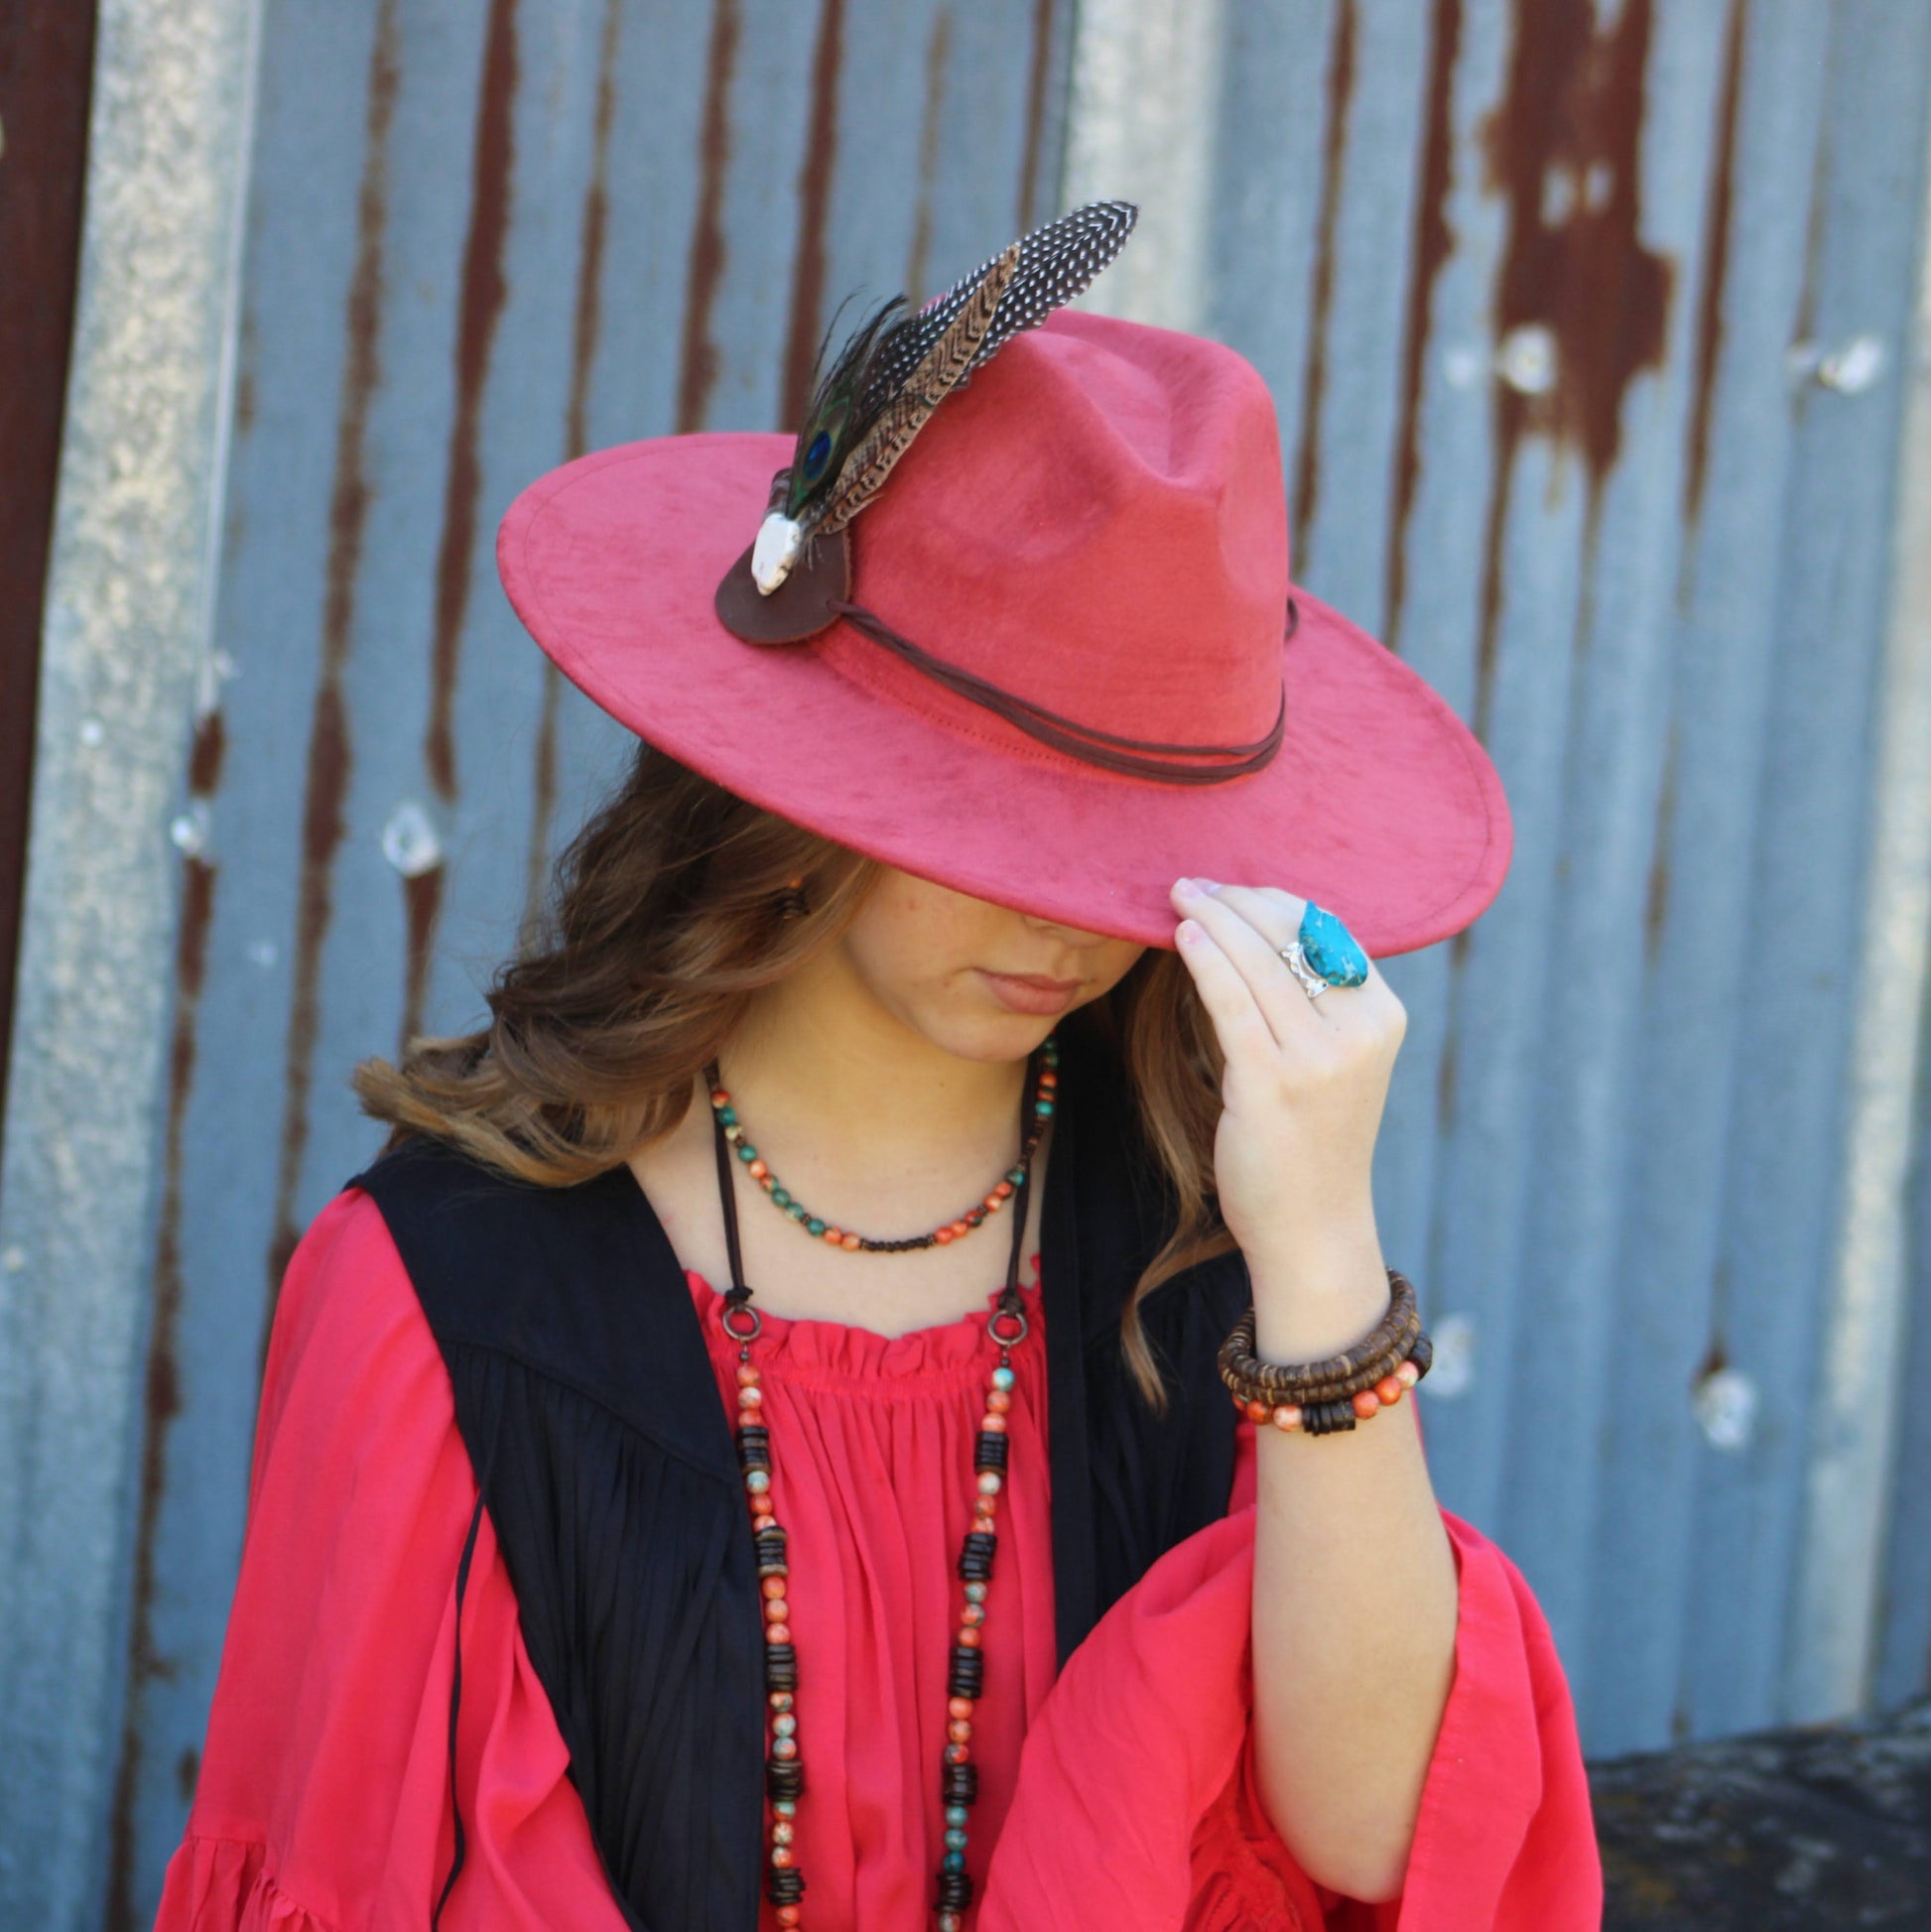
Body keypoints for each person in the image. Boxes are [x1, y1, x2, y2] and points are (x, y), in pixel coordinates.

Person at [155, 205, 1598, 1930]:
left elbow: (1372, 1842)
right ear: (788, 775)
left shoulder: (1194, 1254)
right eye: (991, 819)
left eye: (1131, 841)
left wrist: (1321, 1257)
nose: (1064, 912)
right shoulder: (447, 1299)